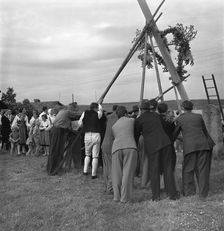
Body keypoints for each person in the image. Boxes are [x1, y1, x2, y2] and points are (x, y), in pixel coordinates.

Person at [135, 99, 179, 201]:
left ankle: (156, 196)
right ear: (149, 107)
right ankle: (172, 195)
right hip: (166, 143)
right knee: (168, 169)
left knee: (154, 170)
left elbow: (136, 134)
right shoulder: (156, 115)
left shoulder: (139, 119)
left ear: (140, 109)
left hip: (153, 146)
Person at [173, 100, 215, 199]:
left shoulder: (180, 119)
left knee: (188, 169)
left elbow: (175, 134)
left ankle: (189, 193)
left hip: (190, 146)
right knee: (203, 170)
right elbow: (204, 131)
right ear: (192, 107)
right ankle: (203, 194)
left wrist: (175, 139)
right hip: (203, 145)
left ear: (183, 108)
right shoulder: (198, 117)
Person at [111, 106, 137, 203]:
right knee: (127, 173)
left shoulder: (114, 126)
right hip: (130, 146)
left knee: (116, 173)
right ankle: (125, 198)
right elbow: (135, 118)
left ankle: (116, 196)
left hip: (116, 148)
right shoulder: (131, 120)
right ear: (126, 113)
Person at [46, 104, 80, 175]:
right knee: (57, 151)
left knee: (54, 150)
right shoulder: (67, 112)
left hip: (56, 131)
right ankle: (53, 170)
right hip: (58, 131)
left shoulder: (62, 112)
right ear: (72, 109)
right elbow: (78, 116)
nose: (75, 111)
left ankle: (52, 168)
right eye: (75, 110)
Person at [78, 102, 103, 179]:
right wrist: (99, 104)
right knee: (95, 156)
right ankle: (93, 174)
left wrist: (85, 126)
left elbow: (80, 124)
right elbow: (101, 110)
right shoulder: (98, 114)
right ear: (96, 108)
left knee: (87, 154)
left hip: (87, 135)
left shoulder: (84, 113)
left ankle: (85, 171)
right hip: (96, 135)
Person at [101, 104, 118, 194]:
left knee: (106, 167)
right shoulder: (118, 119)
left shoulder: (108, 118)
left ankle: (106, 186)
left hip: (104, 144)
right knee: (113, 167)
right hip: (111, 145)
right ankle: (110, 189)